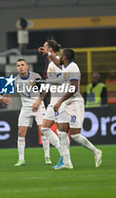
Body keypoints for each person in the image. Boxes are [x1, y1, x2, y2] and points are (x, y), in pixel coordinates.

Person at [39, 47, 102, 170]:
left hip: (74, 103)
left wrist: (59, 101)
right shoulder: (66, 68)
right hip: (65, 104)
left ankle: (96, 151)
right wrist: (48, 54)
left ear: (65, 57)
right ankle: (67, 163)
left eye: (61, 55)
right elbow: (57, 62)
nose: (59, 57)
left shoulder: (73, 68)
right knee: (62, 132)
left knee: (75, 135)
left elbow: (74, 89)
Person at [13, 59, 51, 166]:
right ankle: (21, 159)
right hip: (25, 107)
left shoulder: (35, 76)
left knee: (43, 130)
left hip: (38, 105)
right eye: (18, 65)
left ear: (27, 66)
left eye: (22, 65)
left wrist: (38, 101)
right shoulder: (16, 80)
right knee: (21, 132)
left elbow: (45, 90)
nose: (20, 67)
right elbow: (8, 92)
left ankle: (47, 156)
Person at [37, 40, 67, 169]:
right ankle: (62, 154)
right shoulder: (50, 63)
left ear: (49, 49)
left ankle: (65, 157)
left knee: (69, 133)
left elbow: (62, 80)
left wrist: (46, 80)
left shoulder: (57, 61)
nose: (42, 48)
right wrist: (40, 99)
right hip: (53, 102)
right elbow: (49, 84)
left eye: (44, 46)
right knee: (44, 129)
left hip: (60, 102)